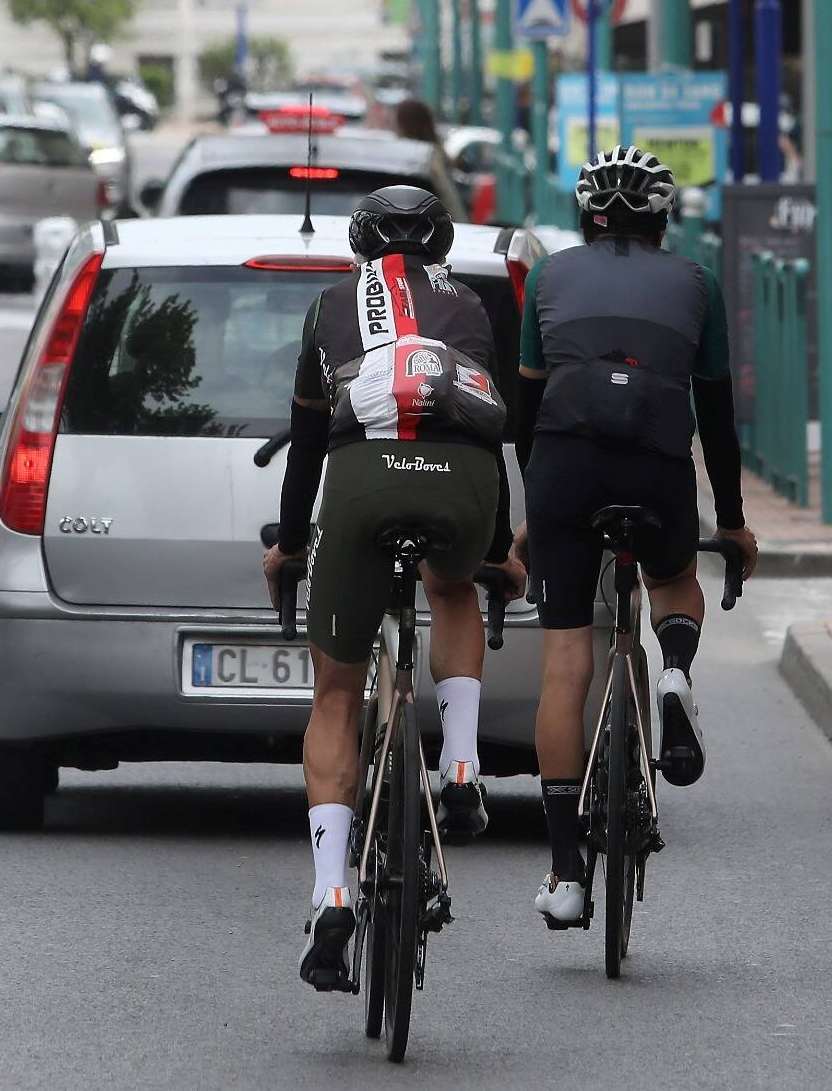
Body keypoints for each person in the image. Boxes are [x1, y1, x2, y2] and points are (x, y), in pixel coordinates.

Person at [261, 186, 527, 990]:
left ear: (359, 248)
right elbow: (492, 425)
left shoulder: (330, 305)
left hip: (362, 480)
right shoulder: (476, 306)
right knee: (451, 593)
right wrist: (495, 550)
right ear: (441, 246)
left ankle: (331, 889)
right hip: (464, 482)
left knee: (337, 692)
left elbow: (308, 441)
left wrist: (293, 545)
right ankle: (462, 765)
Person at [514, 146, 758, 927]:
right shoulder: (698, 283)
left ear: (587, 215)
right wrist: (733, 517)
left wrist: (536, 507)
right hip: (655, 459)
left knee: (564, 662)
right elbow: (716, 417)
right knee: (672, 577)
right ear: (663, 219)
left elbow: (525, 412)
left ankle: (565, 874)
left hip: (566, 465)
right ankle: (676, 670)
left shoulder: (550, 278)